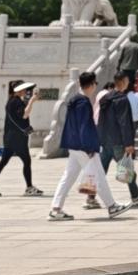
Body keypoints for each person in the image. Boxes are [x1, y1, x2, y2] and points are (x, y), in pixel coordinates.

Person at [49, 72, 126, 220]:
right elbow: (85, 127)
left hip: (73, 145)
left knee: (68, 177)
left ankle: (56, 208)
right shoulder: (84, 103)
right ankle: (112, 206)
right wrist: (89, 147)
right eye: (95, 84)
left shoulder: (74, 100)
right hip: (84, 147)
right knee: (99, 176)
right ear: (91, 85)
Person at [98, 71, 138, 208]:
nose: (129, 83)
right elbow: (124, 123)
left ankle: (90, 197)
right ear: (122, 82)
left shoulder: (105, 98)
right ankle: (135, 196)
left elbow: (101, 121)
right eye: (127, 81)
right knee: (127, 168)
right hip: (118, 141)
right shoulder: (122, 99)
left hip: (106, 141)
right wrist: (129, 143)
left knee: (100, 170)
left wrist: (99, 139)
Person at [0, 80, 45, 197]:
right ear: (18, 90)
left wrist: (30, 101)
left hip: (10, 137)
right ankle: (29, 188)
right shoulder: (16, 102)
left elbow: (21, 114)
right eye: (24, 89)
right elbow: (24, 115)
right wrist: (32, 100)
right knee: (26, 161)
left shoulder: (13, 101)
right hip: (17, 138)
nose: (26, 91)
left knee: (4, 162)